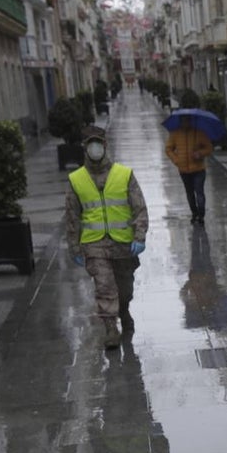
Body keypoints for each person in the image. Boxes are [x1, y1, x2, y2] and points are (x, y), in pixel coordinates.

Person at [65, 125, 149, 349]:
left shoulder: (124, 174)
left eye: (98, 143)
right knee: (104, 287)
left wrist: (139, 236)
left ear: (105, 145)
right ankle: (111, 328)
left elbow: (139, 208)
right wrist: (74, 247)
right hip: (94, 244)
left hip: (123, 243)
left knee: (124, 289)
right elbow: (72, 217)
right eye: (90, 144)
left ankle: (124, 310)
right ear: (84, 148)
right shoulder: (76, 179)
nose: (95, 148)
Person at [165, 113, 214, 223]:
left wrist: (200, 153)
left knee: (199, 192)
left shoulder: (199, 133)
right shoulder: (175, 134)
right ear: (180, 121)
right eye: (183, 120)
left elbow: (209, 148)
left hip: (198, 169)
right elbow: (168, 149)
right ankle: (194, 213)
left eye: (187, 120)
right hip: (184, 170)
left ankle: (201, 215)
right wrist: (176, 160)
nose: (185, 122)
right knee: (190, 193)